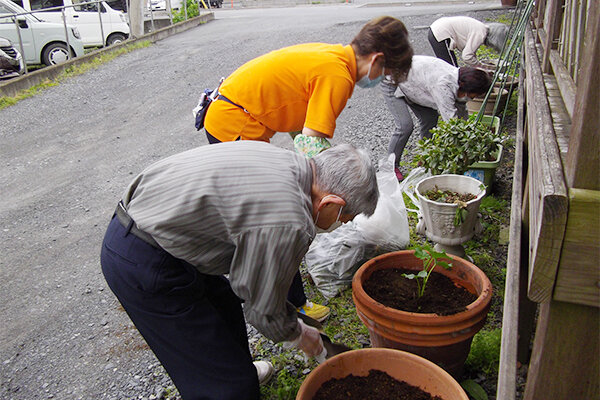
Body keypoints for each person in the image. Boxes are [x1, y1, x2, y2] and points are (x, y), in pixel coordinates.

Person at [100, 141, 379, 400]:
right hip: (144, 259)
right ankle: (227, 383)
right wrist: (301, 335)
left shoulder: (292, 164)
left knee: (224, 304)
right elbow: (262, 310)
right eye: (345, 219)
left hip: (161, 227)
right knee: (228, 388)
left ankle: (235, 368)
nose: (340, 226)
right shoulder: (292, 221)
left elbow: (253, 281)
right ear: (331, 203)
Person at [202, 15, 413, 321]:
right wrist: (344, 194)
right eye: (386, 73)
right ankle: (288, 302)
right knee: (279, 213)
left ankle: (265, 281)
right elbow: (312, 148)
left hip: (229, 114)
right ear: (376, 59)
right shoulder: (338, 76)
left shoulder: (332, 56)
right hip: (234, 125)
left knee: (281, 205)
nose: (382, 80)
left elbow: (302, 131)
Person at [380, 55, 491, 180]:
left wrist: (470, 133)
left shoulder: (460, 81)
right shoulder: (443, 84)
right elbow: (452, 123)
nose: (473, 98)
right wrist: (465, 148)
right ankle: (389, 167)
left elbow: (461, 110)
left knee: (430, 119)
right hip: (392, 79)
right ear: (467, 87)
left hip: (415, 83)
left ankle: (426, 157)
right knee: (405, 126)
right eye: (474, 95)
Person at [428, 16, 509, 67]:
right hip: (440, 33)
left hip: (437, 29)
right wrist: (482, 67)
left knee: (447, 66)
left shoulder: (481, 28)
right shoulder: (481, 33)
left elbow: (470, 52)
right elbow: (467, 56)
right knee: (450, 68)